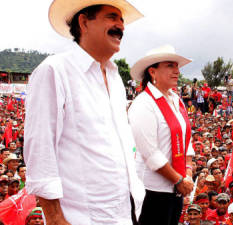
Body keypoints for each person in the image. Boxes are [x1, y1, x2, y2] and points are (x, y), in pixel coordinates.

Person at [24, 1, 145, 224]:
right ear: (84, 22)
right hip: (82, 217)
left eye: (122, 20)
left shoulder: (116, 78)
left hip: (125, 213)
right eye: (112, 17)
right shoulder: (54, 70)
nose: (121, 26)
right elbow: (40, 150)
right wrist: (55, 218)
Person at [128, 45, 194, 225]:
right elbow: (150, 152)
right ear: (153, 71)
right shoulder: (143, 104)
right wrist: (178, 179)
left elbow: (186, 139)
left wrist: (187, 173)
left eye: (177, 66)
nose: (177, 71)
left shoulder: (176, 100)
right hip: (152, 191)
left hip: (177, 188)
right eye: (170, 66)